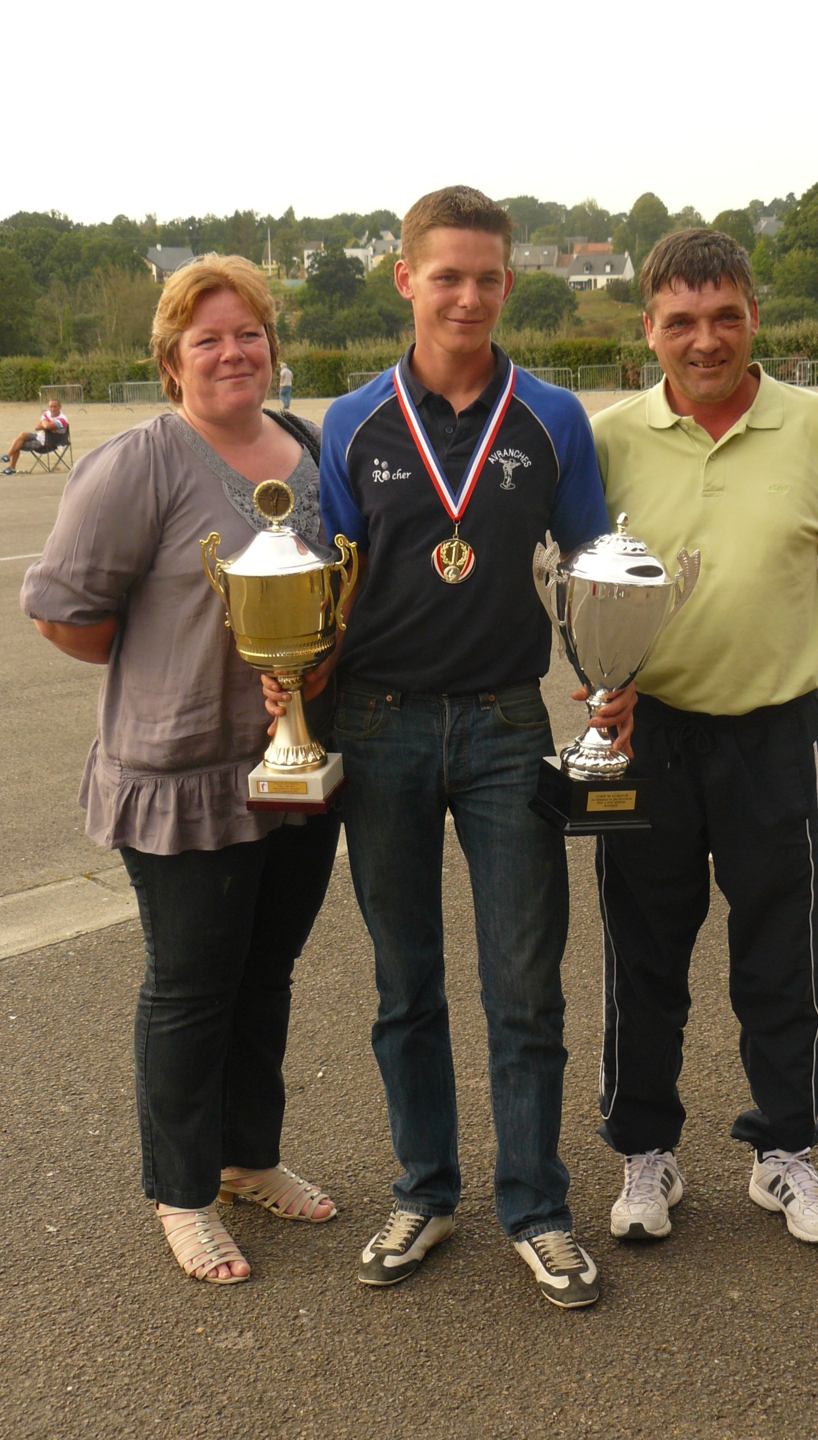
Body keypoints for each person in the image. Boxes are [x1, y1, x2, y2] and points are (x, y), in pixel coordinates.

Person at [265, 186, 631, 1308]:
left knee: (523, 985)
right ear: (406, 279)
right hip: (377, 725)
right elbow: (327, 577)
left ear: (508, 283)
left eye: (486, 278)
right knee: (404, 982)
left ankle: (538, 1209)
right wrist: (292, 671)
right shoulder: (353, 419)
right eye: (446, 276)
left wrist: (611, 680)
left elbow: (596, 567)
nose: (467, 296)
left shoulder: (553, 417)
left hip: (506, 722)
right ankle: (423, 1191)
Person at [21, 254, 340, 1286]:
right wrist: (171, 668)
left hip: (294, 771)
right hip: (181, 777)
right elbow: (62, 613)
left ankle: (248, 1158)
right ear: (171, 360)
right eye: (208, 338)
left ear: (273, 346)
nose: (233, 352)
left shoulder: (311, 447)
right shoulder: (138, 464)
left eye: (249, 333)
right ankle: (183, 1191)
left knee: (266, 974)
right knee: (192, 986)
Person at [589, 228, 818, 1248]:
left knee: (779, 952)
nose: (704, 340)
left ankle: (784, 1150)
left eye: (724, 317)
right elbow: (582, 590)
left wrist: (770, 653)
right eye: (681, 321)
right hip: (649, 738)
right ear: (648, 330)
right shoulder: (610, 439)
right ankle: (645, 1152)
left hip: (777, 734)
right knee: (642, 953)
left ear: (754, 316)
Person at [2, 397, 69, 473]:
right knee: (22, 435)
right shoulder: (47, 413)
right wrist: (47, 425)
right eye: (51, 407)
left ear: (60, 407)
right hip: (40, 436)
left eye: (55, 407)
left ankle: (11, 469)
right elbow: (37, 427)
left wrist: (44, 423)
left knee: (17, 444)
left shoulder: (62, 419)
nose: (52, 409)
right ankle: (7, 456)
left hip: (48, 443)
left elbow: (47, 426)